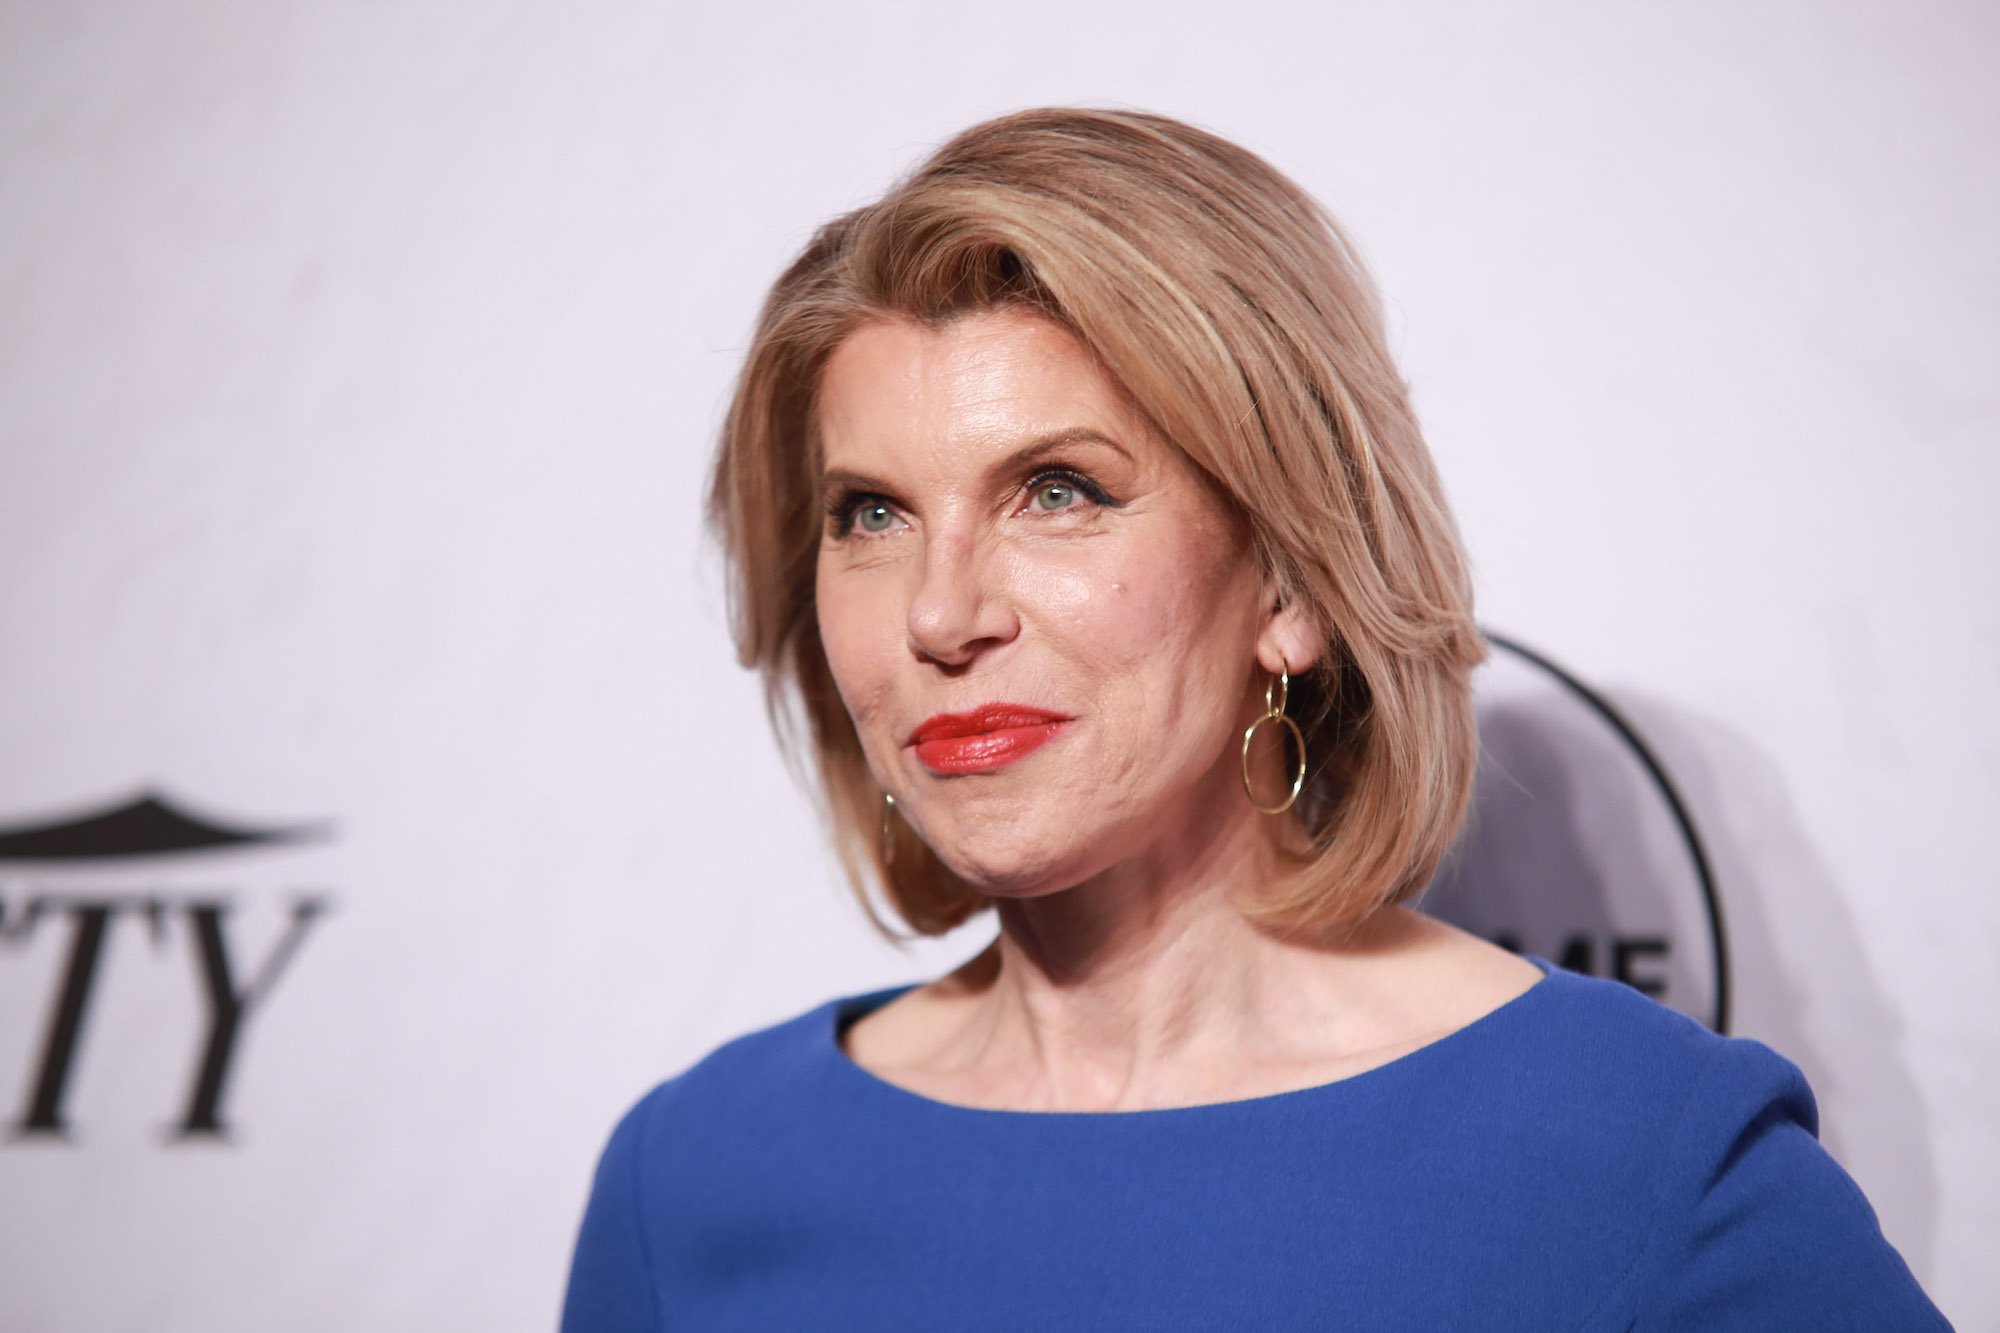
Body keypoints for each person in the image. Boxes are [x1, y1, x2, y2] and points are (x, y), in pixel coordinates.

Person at [560, 108, 1948, 1330]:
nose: (939, 613)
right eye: (871, 514)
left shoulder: (1634, 1161)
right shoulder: (695, 1179)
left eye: (1057, 489)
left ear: (1290, 579)